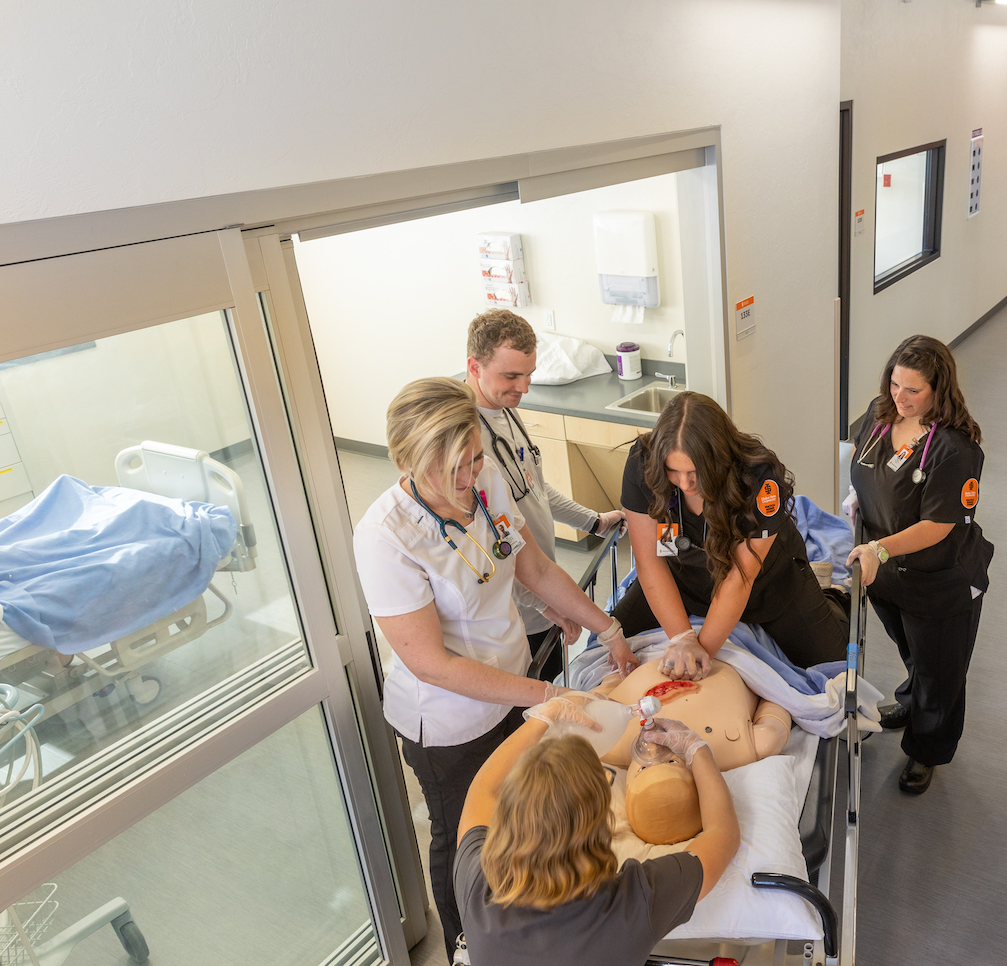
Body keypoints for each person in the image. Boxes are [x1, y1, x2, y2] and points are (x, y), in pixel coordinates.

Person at [352, 377, 638, 963]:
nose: (469, 476)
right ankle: (465, 946)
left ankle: (523, 934)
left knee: (516, 816)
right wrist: (546, 694)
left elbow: (533, 566)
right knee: (465, 840)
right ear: (409, 462)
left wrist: (607, 628)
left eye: (475, 458)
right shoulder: (385, 537)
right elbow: (433, 665)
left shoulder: (484, 482)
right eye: (452, 467)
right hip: (448, 720)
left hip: (510, 685)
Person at [452, 695, 739, 965]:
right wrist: (696, 749)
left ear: (509, 813)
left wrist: (544, 717)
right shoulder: (633, 903)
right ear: (603, 820)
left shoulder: (477, 884)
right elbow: (722, 835)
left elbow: (482, 788)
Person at [844, 335, 993, 795]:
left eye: (913, 390)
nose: (900, 397)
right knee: (914, 652)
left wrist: (879, 549)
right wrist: (859, 496)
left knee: (940, 671)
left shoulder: (954, 449)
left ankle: (927, 749)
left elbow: (938, 525)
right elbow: (867, 464)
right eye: (895, 384)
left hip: (938, 580)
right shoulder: (880, 415)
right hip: (889, 575)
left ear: (938, 389)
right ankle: (912, 701)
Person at [613, 391, 848, 679]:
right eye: (673, 471)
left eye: (695, 472)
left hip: (767, 586)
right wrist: (682, 637)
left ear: (719, 457)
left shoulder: (759, 476)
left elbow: (739, 579)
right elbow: (649, 560)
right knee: (611, 645)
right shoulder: (643, 462)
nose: (685, 483)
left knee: (836, 671)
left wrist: (701, 653)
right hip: (681, 577)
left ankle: (833, 595)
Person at [464, 309, 627, 683]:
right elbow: (489, 544)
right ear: (474, 366)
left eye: (529, 374)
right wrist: (542, 601)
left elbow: (534, 489)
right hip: (516, 612)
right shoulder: (466, 441)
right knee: (530, 702)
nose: (524, 387)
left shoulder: (505, 410)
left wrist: (594, 521)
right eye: (511, 376)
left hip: (544, 592)